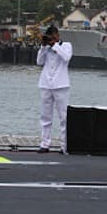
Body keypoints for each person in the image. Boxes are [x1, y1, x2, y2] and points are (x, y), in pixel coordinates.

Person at [35, 25, 72, 153]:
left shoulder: (66, 45)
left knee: (64, 117)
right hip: (45, 84)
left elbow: (66, 57)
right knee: (45, 116)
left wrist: (54, 45)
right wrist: (43, 46)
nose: (52, 38)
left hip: (61, 85)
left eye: (53, 36)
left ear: (57, 35)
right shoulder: (46, 48)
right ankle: (45, 143)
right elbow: (39, 62)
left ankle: (64, 145)